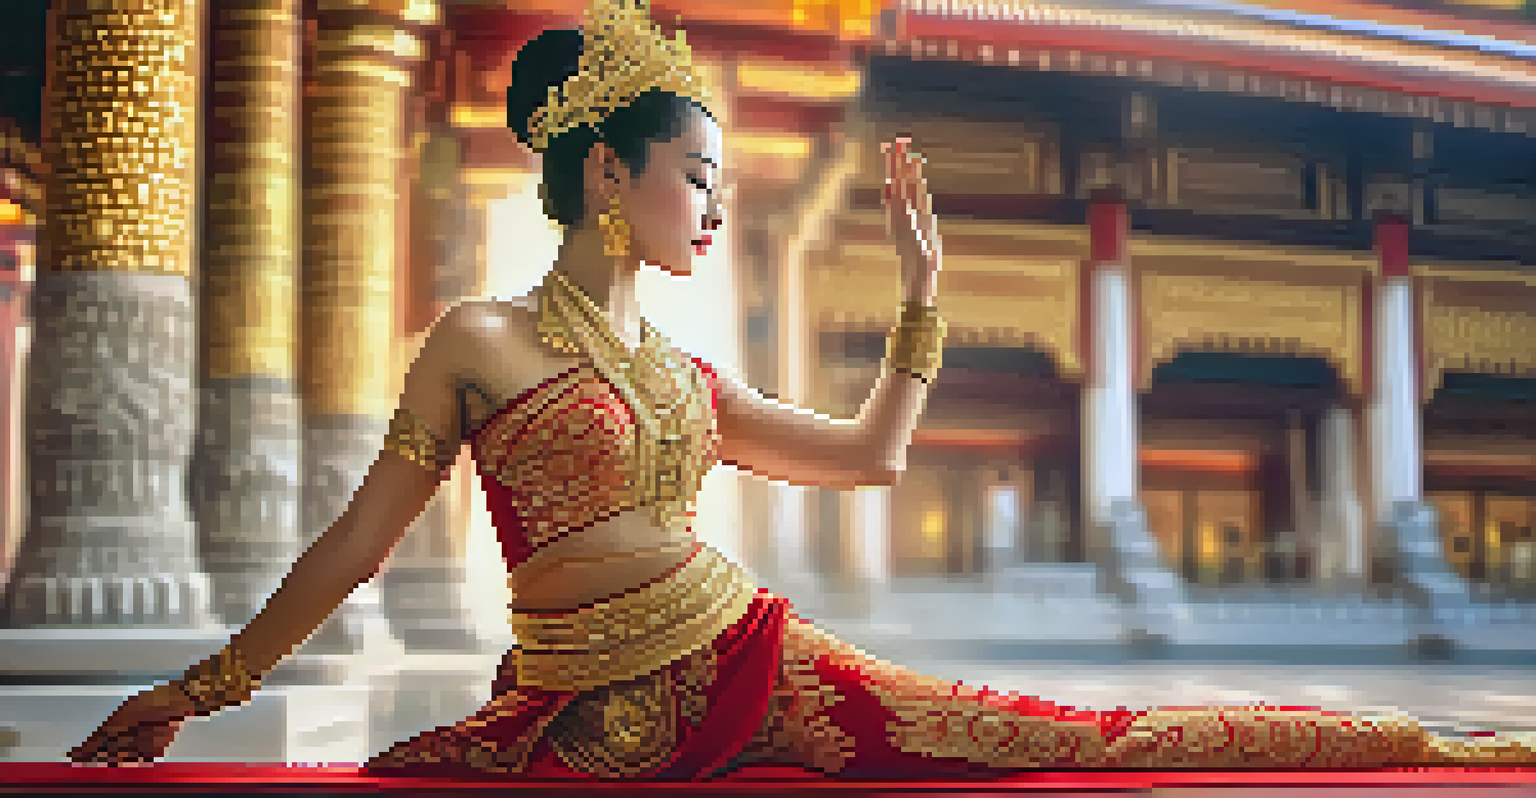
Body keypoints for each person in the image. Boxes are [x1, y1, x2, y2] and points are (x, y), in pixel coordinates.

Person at [70, 0, 1533, 777]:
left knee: (1083, 738)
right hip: (577, 708)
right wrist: (206, 686)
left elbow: (869, 459)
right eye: (695, 178)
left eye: (721, 185)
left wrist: (921, 298)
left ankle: (1435, 742)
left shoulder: (689, 377)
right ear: (605, 172)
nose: (713, 210)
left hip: (761, 666)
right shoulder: (479, 340)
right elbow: (356, 539)